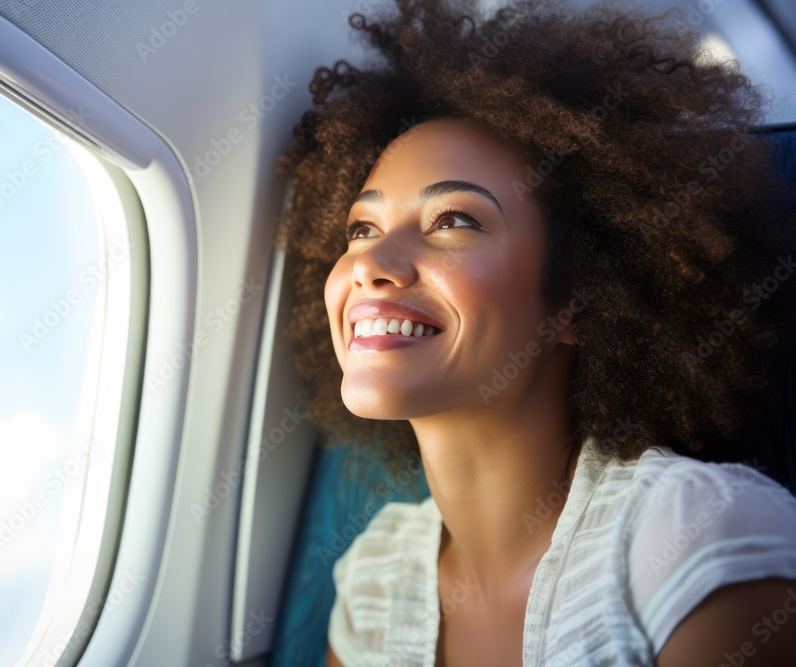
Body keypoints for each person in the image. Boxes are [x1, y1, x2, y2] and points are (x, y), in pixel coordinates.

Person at [274, 0, 796, 664]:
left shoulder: (697, 542)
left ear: (577, 300)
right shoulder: (373, 581)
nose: (370, 264)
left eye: (453, 221)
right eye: (362, 229)